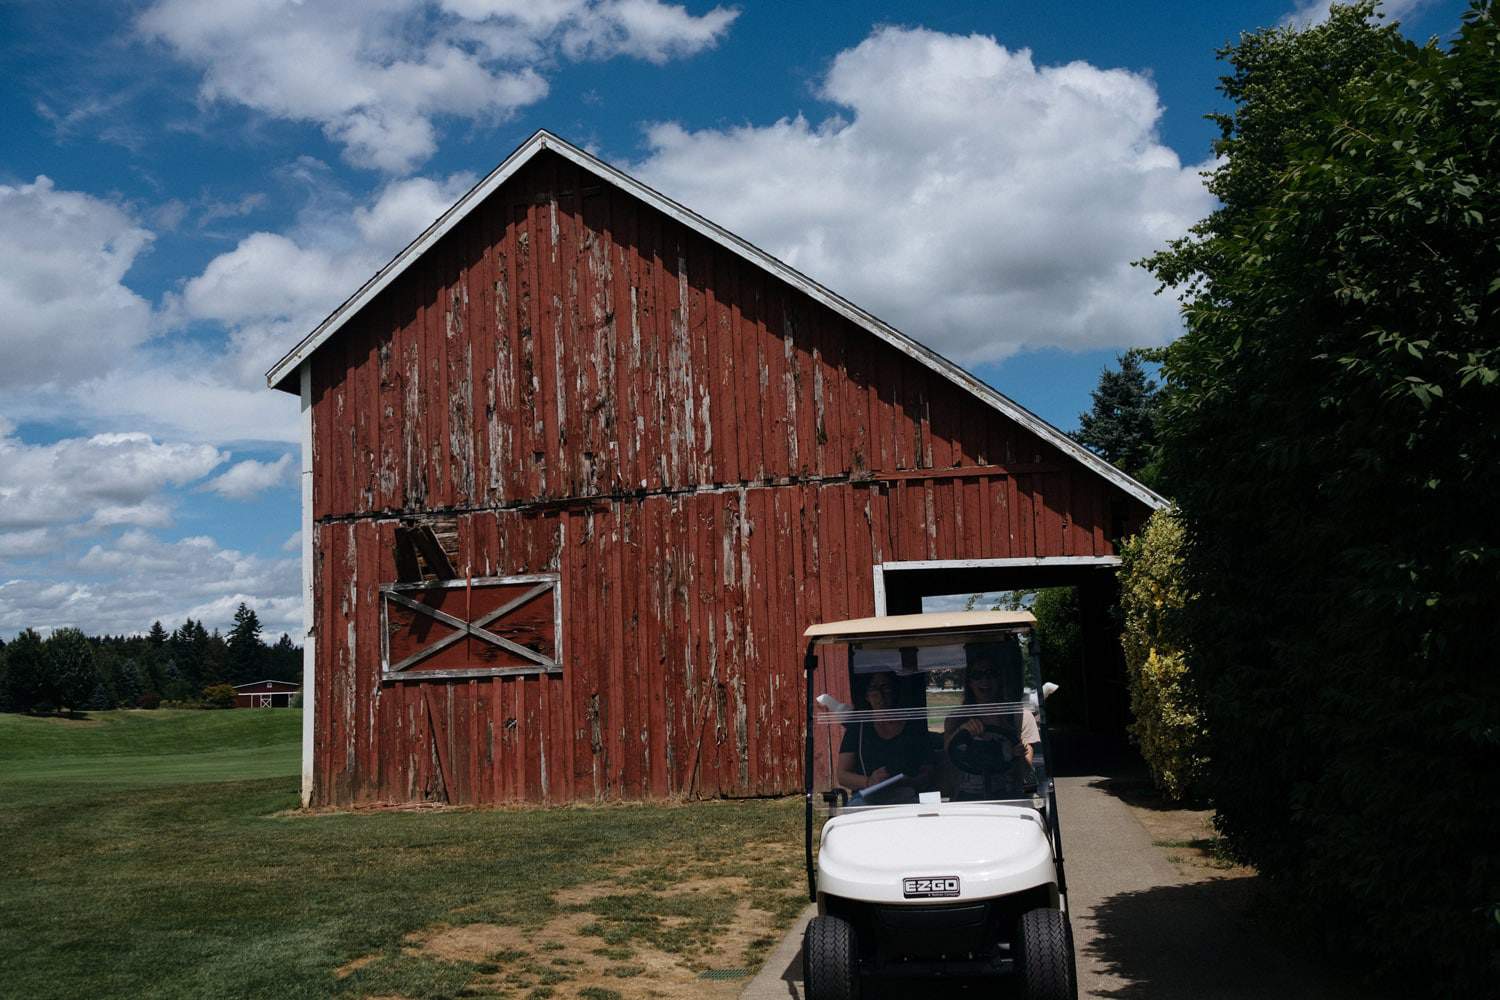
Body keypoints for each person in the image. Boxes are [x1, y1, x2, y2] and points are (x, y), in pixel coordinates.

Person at [942, 644, 1039, 800]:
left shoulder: (1020, 717)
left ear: (1000, 678)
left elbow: (1025, 773)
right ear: (969, 682)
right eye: (977, 675)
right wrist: (961, 732)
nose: (985, 680)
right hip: (966, 796)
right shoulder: (956, 718)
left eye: (991, 674)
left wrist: (1017, 752)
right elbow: (948, 763)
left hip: (1008, 794)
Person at [836, 671, 933, 793]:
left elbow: (928, 768)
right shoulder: (857, 728)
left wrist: (912, 782)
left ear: (895, 691)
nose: (879, 694)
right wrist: (869, 782)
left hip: (909, 797)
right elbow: (842, 775)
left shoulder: (913, 727)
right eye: (873, 688)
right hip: (870, 800)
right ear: (867, 695)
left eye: (885, 687)